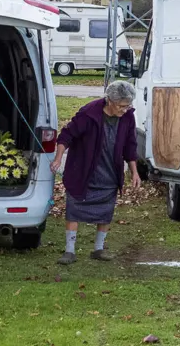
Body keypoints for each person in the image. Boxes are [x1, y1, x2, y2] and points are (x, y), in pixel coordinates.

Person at [51, 81, 142, 264]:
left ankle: (98, 249)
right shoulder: (89, 113)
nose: (125, 109)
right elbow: (66, 136)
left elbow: (130, 145)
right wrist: (58, 158)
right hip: (83, 169)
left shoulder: (127, 117)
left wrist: (134, 172)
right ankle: (70, 251)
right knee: (74, 208)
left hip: (109, 170)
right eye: (122, 106)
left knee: (106, 210)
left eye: (128, 105)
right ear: (110, 101)